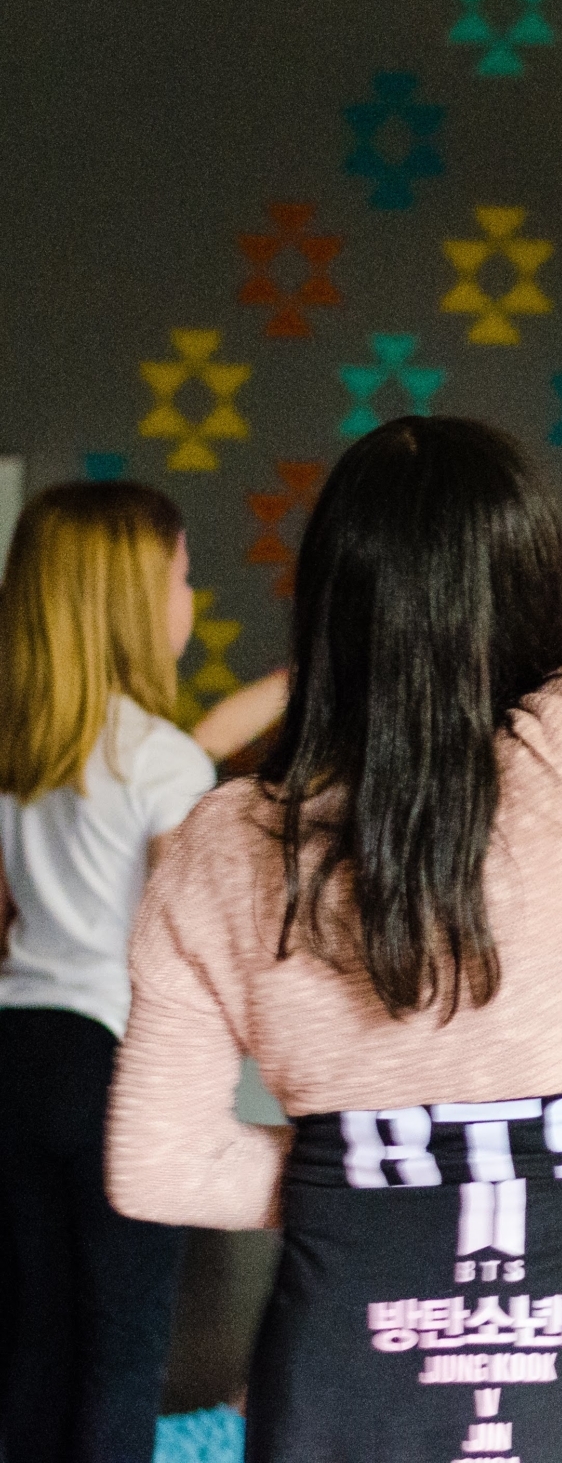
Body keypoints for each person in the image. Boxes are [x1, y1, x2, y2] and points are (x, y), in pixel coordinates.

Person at [102, 176, 562, 1463]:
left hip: (350, 1354)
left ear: (328, 601)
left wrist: (369, 1171)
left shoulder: (220, 843)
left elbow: (155, 1168)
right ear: (518, 592)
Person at [0, 482, 285, 1463]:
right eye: (183, 573)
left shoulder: (26, 747)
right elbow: (182, 931)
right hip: (114, 1070)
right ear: (134, 599)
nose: (191, 595)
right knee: (123, 1355)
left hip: (21, 1051)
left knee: (35, 1344)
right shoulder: (159, 762)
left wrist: (296, 679)